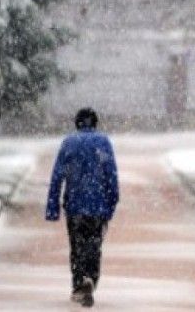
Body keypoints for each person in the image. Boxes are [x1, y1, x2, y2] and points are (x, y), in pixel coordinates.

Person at [45, 107, 119, 308]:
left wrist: (53, 207)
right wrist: (112, 203)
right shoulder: (103, 143)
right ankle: (91, 278)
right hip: (97, 205)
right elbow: (111, 176)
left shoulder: (69, 143)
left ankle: (79, 282)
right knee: (94, 245)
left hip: (75, 205)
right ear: (95, 123)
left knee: (77, 245)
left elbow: (57, 176)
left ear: (77, 123)